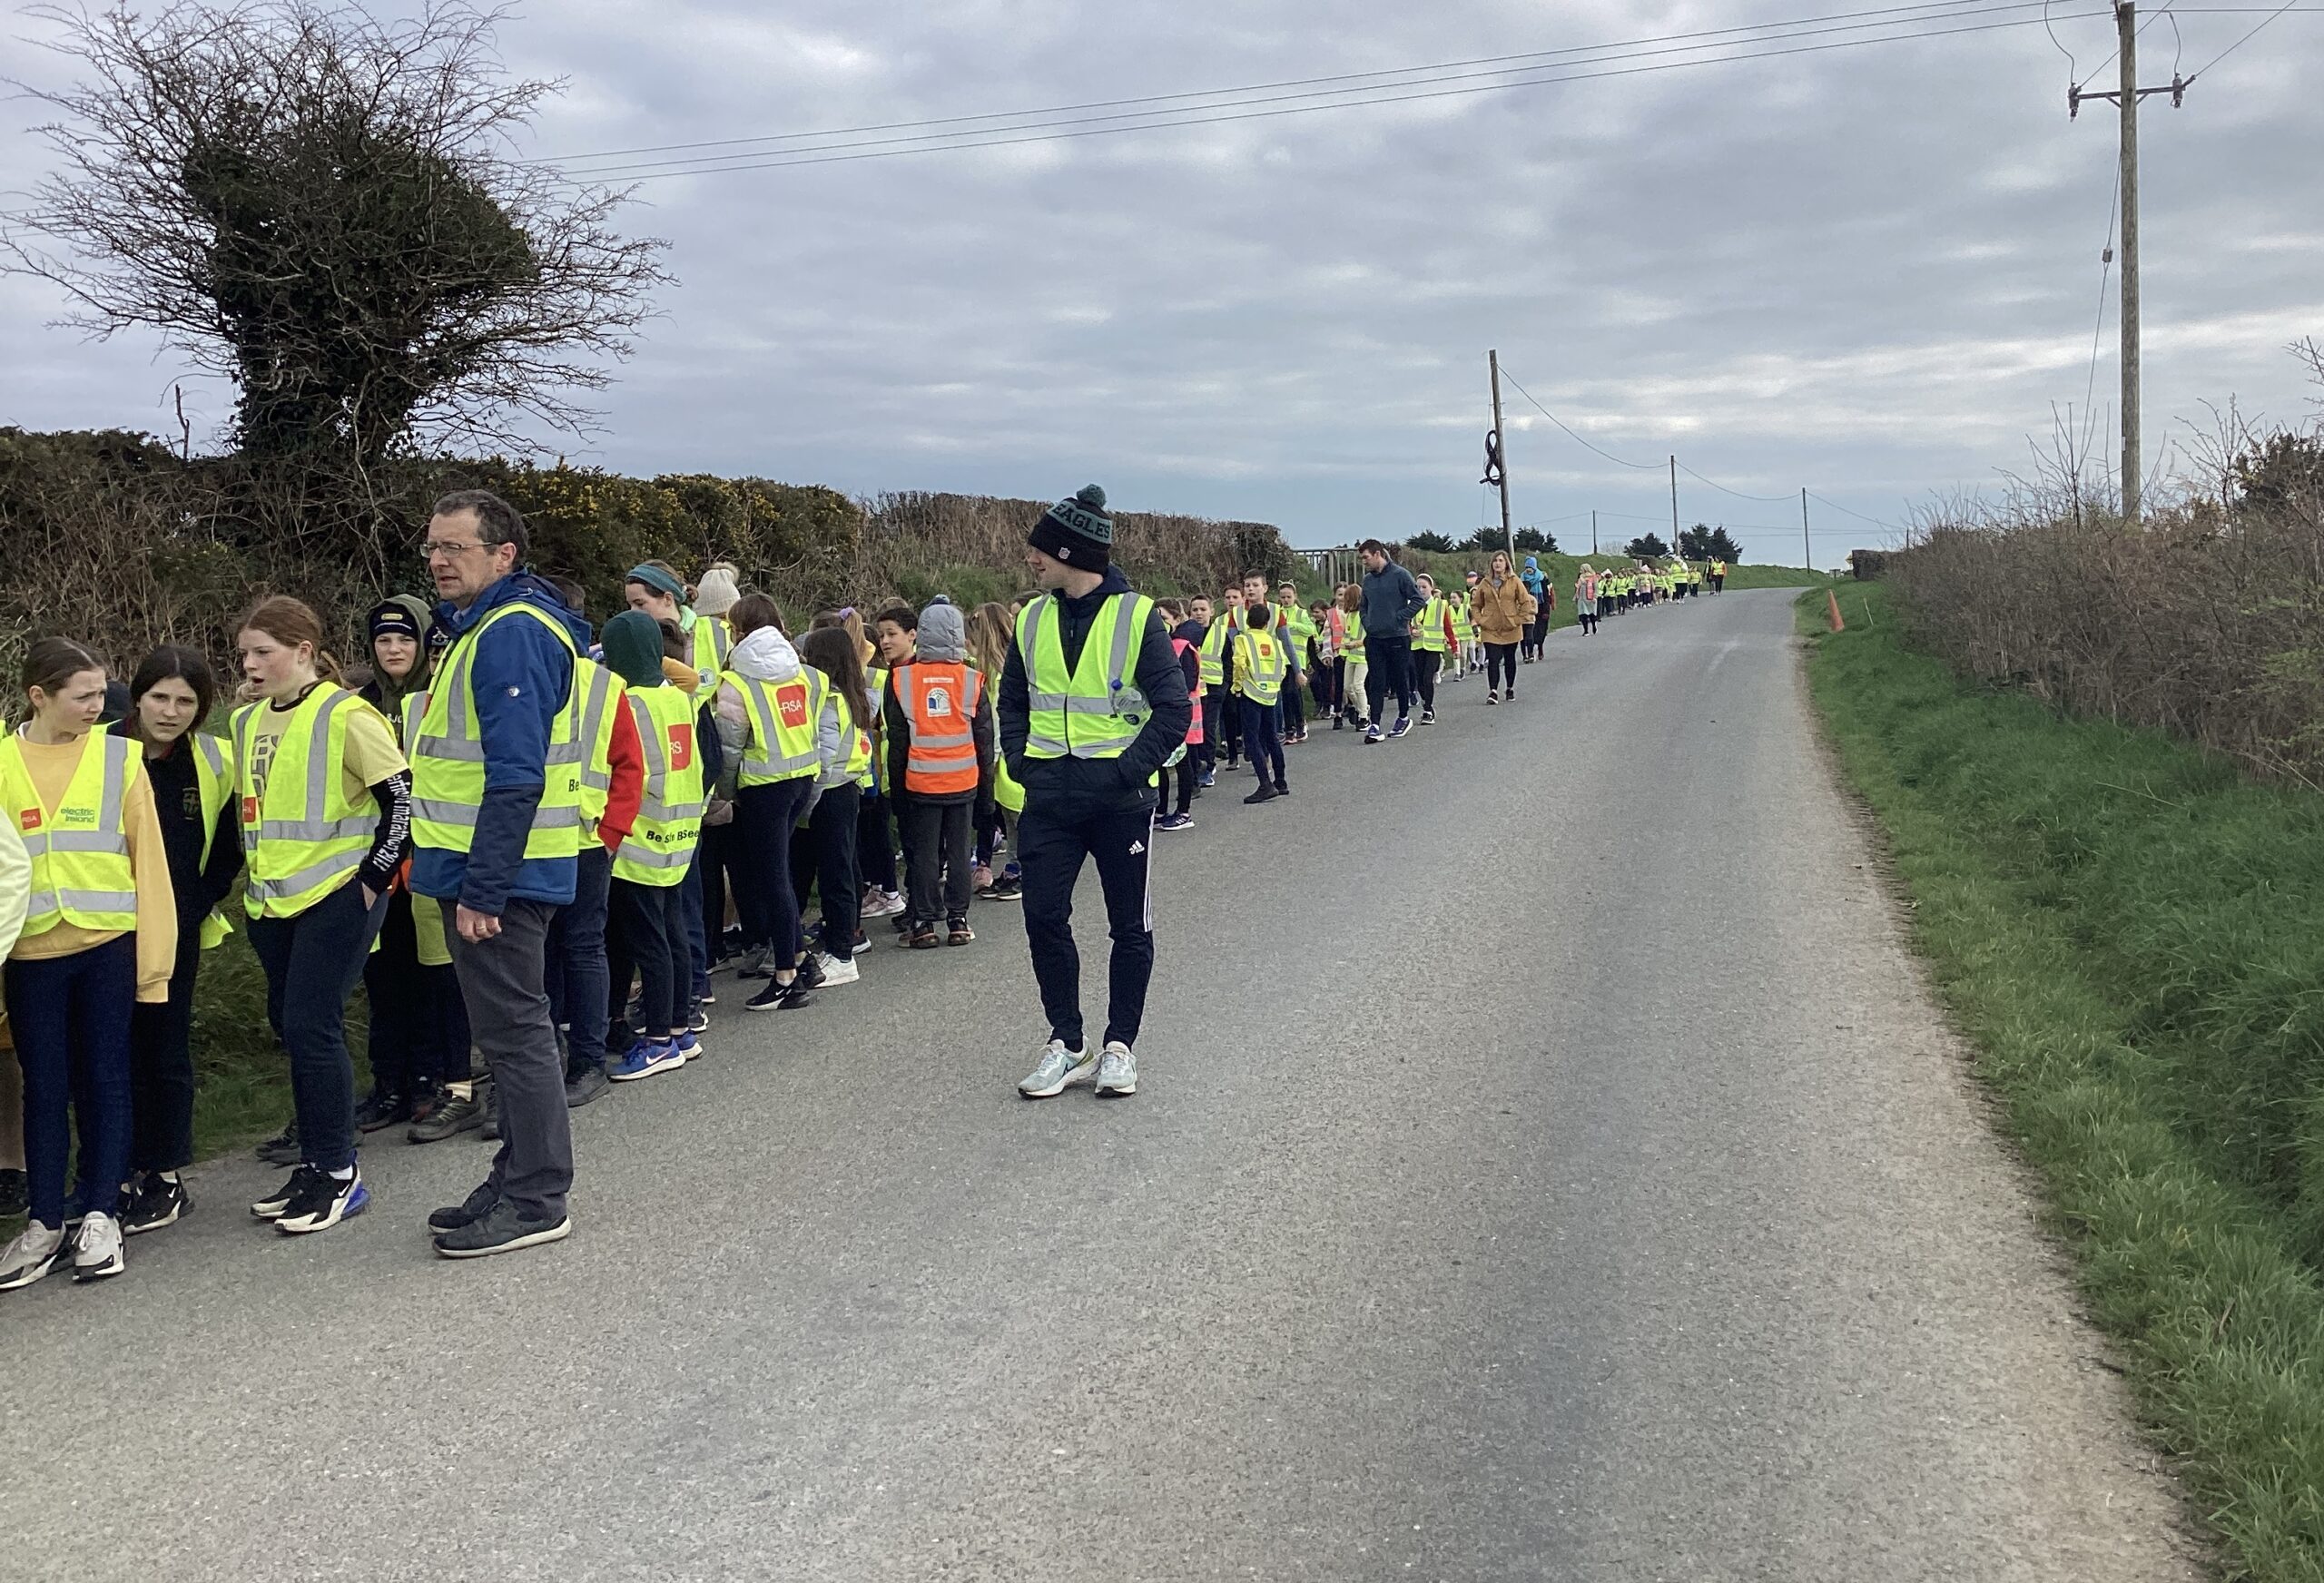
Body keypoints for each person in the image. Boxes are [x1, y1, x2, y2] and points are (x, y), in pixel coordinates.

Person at [409, 487, 591, 1260]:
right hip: (491, 871)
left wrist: (483, 887)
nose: (438, 560)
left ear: (503, 555)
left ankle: (536, 1197)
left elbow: (516, 775)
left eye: (455, 547)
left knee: (515, 1037)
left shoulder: (511, 633)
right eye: (432, 547)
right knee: (511, 1032)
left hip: (500, 879)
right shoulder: (489, 625)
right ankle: (515, 1175)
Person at [1002, 487, 1190, 1101]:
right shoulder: (1030, 618)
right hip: (1048, 799)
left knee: (1128, 927)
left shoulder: (1137, 616)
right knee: (1042, 917)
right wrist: (1021, 763)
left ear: (1070, 553)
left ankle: (1119, 1047)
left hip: (1117, 803)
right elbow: (1011, 702)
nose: (1031, 559)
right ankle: (1067, 1041)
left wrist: (1122, 773)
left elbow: (1173, 709)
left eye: (1040, 550)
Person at [0, 638, 174, 1288]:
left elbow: (149, 865)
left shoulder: (119, 758)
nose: (99, 706)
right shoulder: (1, 763)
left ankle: (101, 1214)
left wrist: (153, 968)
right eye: (84, 696)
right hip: (30, 954)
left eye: (102, 693)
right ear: (38, 696)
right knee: (44, 1088)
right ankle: (44, 1223)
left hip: (107, 947)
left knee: (106, 1079)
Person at [232, 597, 408, 1237]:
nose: (250, 666)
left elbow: (401, 803)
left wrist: (372, 882)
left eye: (264, 652)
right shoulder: (246, 721)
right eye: (245, 654)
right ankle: (314, 1162)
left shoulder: (347, 714)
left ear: (303, 651)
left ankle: (339, 1170)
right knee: (292, 1026)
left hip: (337, 894)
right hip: (272, 901)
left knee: (313, 1024)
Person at [120, 644, 241, 1234]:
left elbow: (230, 846)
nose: (170, 712)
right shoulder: (101, 752)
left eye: (186, 701)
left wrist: (193, 906)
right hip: (105, 928)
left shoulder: (214, 758)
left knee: (164, 1050)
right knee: (111, 1054)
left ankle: (164, 1175)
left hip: (175, 930)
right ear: (137, 697)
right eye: (160, 698)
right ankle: (115, 1171)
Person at [347, 597, 469, 1133]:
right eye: (383, 640)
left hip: (427, 853)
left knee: (433, 975)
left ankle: (432, 1078)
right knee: (383, 975)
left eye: (405, 639)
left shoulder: (439, 698)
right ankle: (389, 1084)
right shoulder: (360, 705)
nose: (394, 649)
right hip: (376, 857)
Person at [534, 579, 638, 1110]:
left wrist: (611, 833)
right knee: (540, 953)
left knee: (580, 948)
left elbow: (629, 766)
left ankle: (588, 1061)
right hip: (532, 841)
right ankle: (544, 1058)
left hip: (582, 840)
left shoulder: (602, 685)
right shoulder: (519, 671)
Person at [715, 594, 835, 1009]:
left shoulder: (737, 682)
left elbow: (729, 749)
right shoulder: (805, 675)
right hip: (801, 779)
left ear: (738, 631)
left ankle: (786, 977)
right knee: (778, 872)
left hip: (762, 787)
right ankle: (800, 958)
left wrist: (726, 793)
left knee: (773, 880)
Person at [598, 610, 704, 1079]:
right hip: (678, 836)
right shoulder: (676, 698)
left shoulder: (627, 702)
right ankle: (680, 1028)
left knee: (649, 944)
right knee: (673, 934)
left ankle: (658, 1040)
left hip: (637, 841)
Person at [887, 600, 994, 949]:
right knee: (960, 852)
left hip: (921, 782)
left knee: (924, 854)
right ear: (958, 636)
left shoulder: (903, 680)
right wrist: (987, 796)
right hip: (963, 781)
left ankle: (923, 923)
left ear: (921, 635)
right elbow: (984, 743)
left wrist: (898, 794)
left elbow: (898, 745)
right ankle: (958, 920)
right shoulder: (972, 680)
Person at [793, 626, 870, 981]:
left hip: (828, 793)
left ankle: (842, 955)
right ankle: (841, 943)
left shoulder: (827, 701)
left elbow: (823, 759)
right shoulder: (851, 696)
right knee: (840, 871)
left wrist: (806, 804)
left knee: (834, 877)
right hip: (846, 789)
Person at [1358, 540, 1423, 742]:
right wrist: (1367, 622)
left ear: (1377, 554)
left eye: (1366, 557)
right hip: (1375, 638)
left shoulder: (1400, 575)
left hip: (1397, 637)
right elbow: (1363, 606)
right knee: (1376, 682)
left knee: (1399, 679)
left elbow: (1418, 600)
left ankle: (1403, 717)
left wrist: (1400, 617)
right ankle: (1375, 724)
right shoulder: (1367, 580)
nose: (1364, 562)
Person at [1232, 585, 1291, 803]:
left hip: (1250, 693)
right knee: (1272, 737)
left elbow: (1239, 664)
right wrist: (1273, 686)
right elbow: (1282, 667)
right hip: (1271, 694)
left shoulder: (1243, 640)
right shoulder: (1274, 641)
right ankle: (1281, 781)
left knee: (1252, 739)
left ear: (1247, 621)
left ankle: (1265, 784)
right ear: (1267, 623)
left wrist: (1237, 687)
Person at [625, 561, 728, 686]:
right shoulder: (629, 641)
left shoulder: (720, 631)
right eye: (630, 605)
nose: (633, 611)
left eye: (640, 604)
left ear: (668, 599)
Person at [1157, 600, 1205, 831]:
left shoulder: (1182, 646)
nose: (1160, 624)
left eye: (1164, 619)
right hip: (1164, 713)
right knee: (1160, 763)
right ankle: (1160, 811)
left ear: (1177, 619)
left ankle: (1184, 812)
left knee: (1182, 764)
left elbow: (1186, 682)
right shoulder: (1164, 644)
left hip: (1181, 714)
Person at [1470, 550, 1535, 703]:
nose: (1497, 563)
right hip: (1491, 628)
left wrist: (1518, 619)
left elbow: (1525, 602)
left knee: (1509, 658)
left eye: (1500, 560)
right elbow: (1475, 605)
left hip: (1511, 627)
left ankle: (1510, 688)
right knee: (1493, 658)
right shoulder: (1485, 583)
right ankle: (1493, 691)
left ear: (1506, 564)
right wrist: (1481, 620)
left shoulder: (1514, 581)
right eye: (1495, 560)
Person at [1409, 573, 1451, 725]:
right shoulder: (1412, 604)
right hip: (1417, 646)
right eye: (1418, 587)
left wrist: (1455, 647)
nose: (1421, 590)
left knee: (1427, 678)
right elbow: (1406, 622)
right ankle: (1426, 703)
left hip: (1434, 647)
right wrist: (1410, 631)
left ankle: (1427, 710)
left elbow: (1447, 626)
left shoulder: (1441, 605)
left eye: (1424, 587)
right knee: (1419, 680)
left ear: (1431, 588)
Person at [1331, 583, 1369, 730]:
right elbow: (1346, 635)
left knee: (1358, 686)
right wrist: (1343, 653)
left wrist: (1356, 644)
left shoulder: (1364, 615)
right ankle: (1363, 708)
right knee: (1347, 687)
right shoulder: (1349, 616)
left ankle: (1364, 717)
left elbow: (1368, 636)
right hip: (1350, 656)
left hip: (1363, 657)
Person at [1576, 565, 1600, 636]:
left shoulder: (1593, 577)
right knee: (1583, 614)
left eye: (1582, 568)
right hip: (1582, 599)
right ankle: (1586, 631)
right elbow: (1578, 587)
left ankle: (1594, 625)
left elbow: (1596, 588)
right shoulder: (1580, 577)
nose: (1580, 570)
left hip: (1590, 599)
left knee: (1592, 614)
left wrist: (1595, 597)